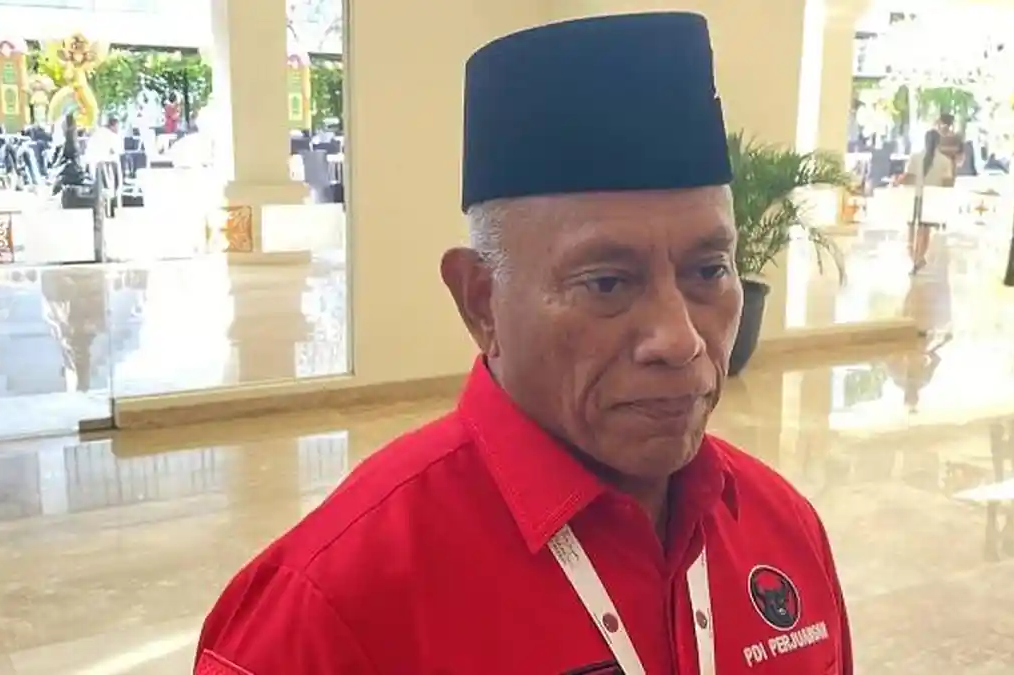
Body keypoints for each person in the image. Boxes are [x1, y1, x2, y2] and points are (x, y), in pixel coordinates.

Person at [195, 13, 853, 675]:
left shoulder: (781, 527)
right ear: (481, 301)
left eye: (708, 271)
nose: (679, 340)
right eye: (607, 283)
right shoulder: (328, 609)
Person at [901, 128, 955, 274]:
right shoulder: (945, 161)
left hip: (915, 196)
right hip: (933, 198)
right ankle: (919, 257)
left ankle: (915, 257)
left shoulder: (915, 157)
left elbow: (909, 178)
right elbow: (947, 183)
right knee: (925, 230)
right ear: (939, 143)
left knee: (912, 228)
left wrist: (900, 182)